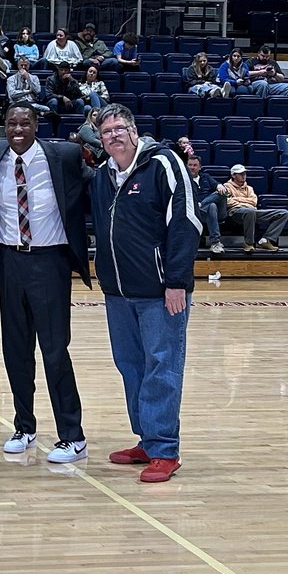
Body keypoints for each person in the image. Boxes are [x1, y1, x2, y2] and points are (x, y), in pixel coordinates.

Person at [90, 103, 199, 484]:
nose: (114, 136)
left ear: (134, 131)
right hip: (118, 293)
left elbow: (187, 222)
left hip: (160, 292)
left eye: (120, 128)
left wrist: (176, 282)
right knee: (131, 366)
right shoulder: (103, 175)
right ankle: (148, 440)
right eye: (106, 132)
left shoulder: (163, 164)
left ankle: (165, 449)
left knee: (162, 366)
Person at [0, 104, 91, 463]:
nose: (17, 128)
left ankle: (72, 436)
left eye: (24, 122)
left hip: (50, 261)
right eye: (11, 123)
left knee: (55, 350)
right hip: (10, 261)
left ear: (36, 125)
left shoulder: (65, 155)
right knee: (15, 350)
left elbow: (100, 181)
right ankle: (24, 426)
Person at [218, 163, 288, 253]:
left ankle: (265, 240)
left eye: (244, 174)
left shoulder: (249, 188)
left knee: (283, 213)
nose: (243, 176)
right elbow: (227, 202)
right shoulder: (226, 187)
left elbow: (254, 201)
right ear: (233, 175)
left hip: (252, 211)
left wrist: (237, 200)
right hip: (235, 212)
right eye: (240, 174)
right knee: (250, 211)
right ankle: (249, 243)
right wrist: (245, 201)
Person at [186, 154, 226, 255]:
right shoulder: (184, 180)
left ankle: (202, 204)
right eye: (190, 165)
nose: (192, 167)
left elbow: (217, 186)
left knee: (223, 193)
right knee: (211, 206)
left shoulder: (205, 177)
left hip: (212, 210)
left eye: (195, 165)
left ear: (200, 167)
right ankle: (215, 242)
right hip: (194, 212)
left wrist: (219, 185)